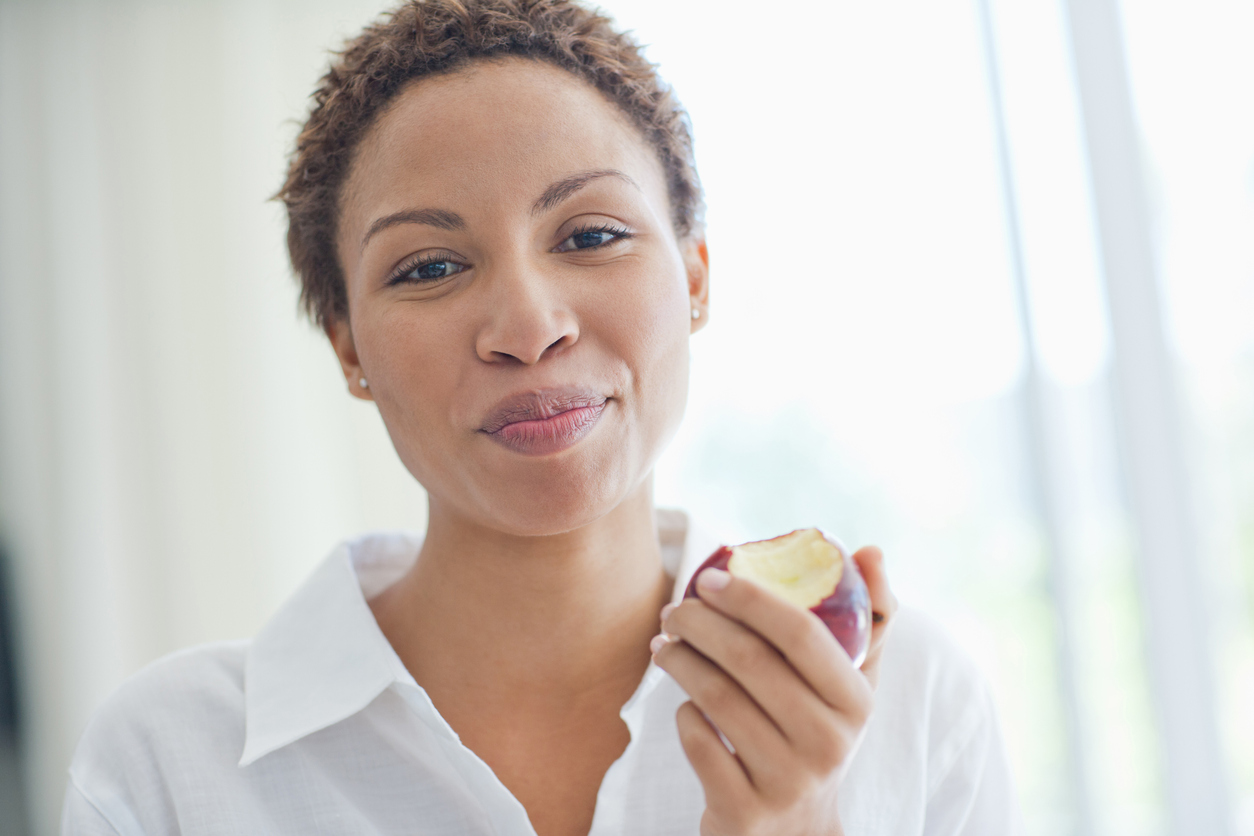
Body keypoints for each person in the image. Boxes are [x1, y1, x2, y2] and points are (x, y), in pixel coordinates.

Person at [62, 1, 1021, 834]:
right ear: (349, 349)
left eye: (592, 235)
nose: (527, 328)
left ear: (693, 278)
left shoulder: (912, 708)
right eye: (429, 267)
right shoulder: (167, 766)